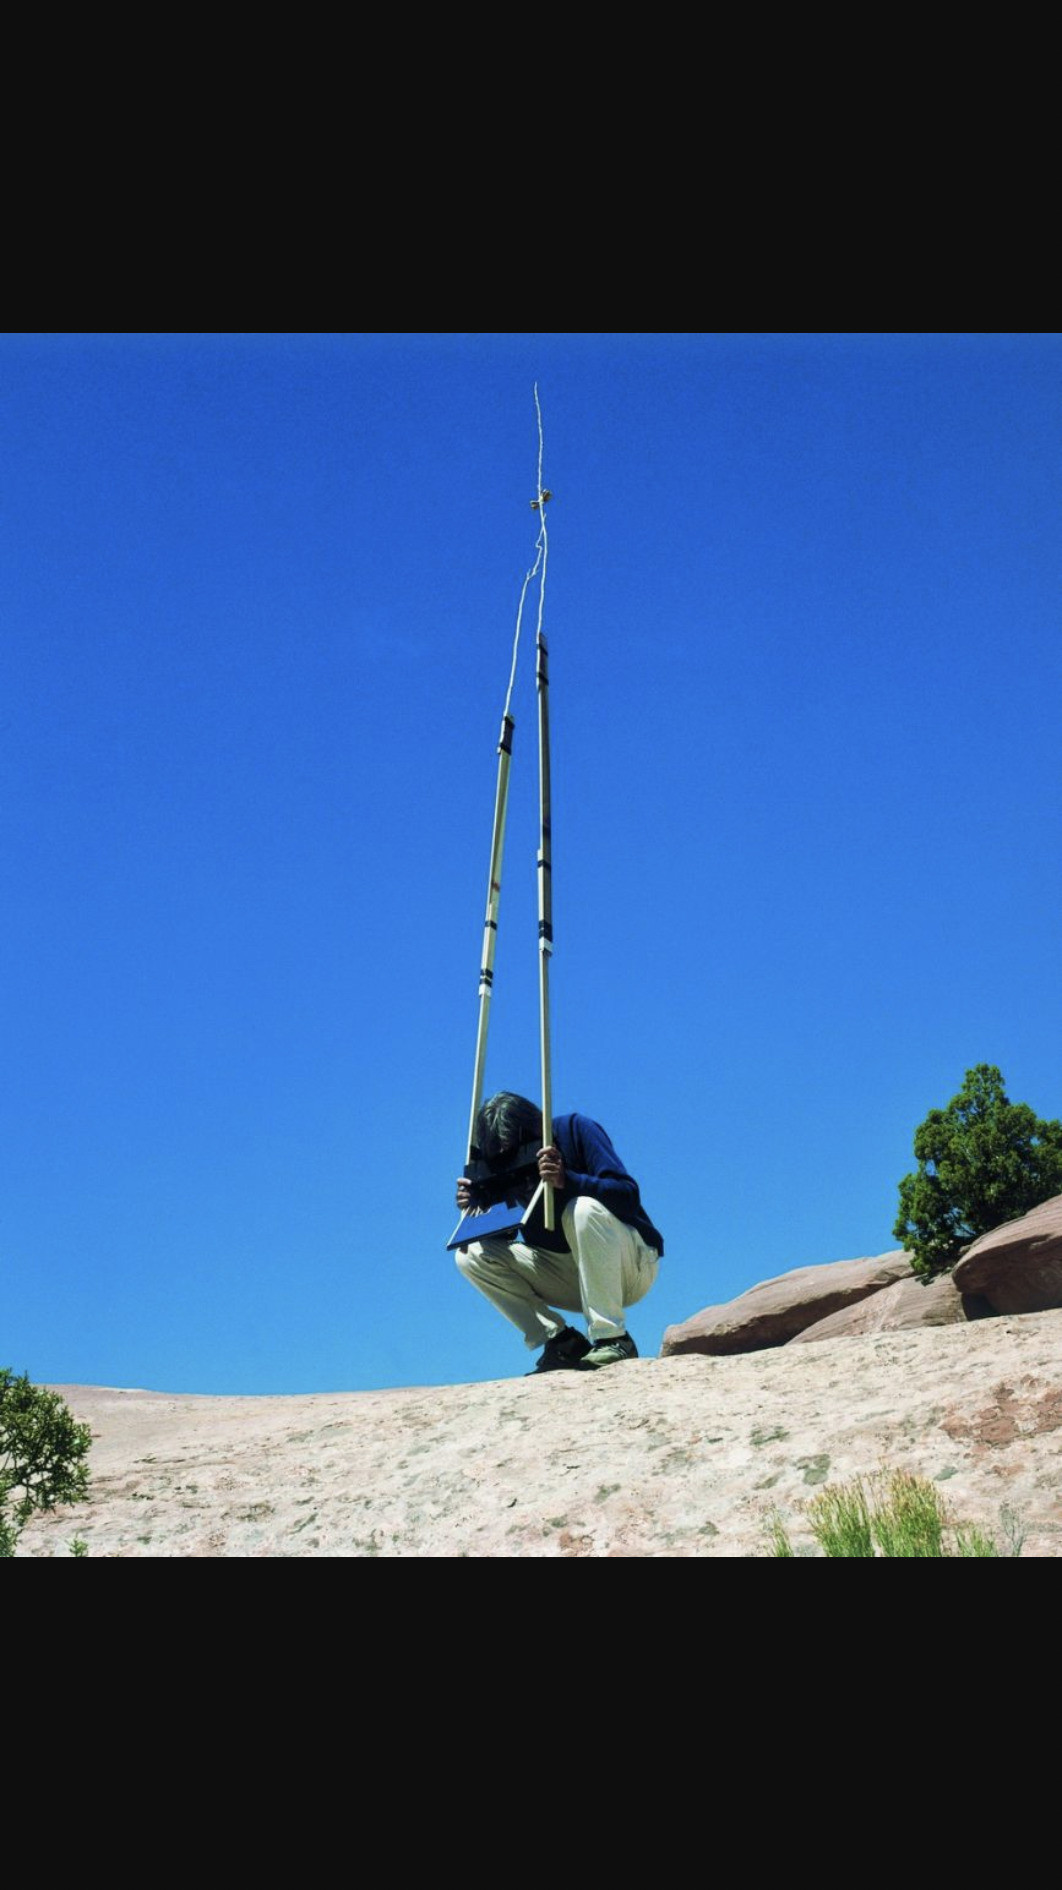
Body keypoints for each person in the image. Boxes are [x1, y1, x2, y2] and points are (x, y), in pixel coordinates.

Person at [454, 1091, 664, 1373]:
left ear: (536, 1130)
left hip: (629, 1267)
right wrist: (480, 1209)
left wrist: (568, 1180)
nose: (514, 1163)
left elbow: (628, 1196)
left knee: (581, 1209)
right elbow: (504, 1239)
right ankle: (563, 1343)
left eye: (518, 1151)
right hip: (569, 1276)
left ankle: (613, 1338)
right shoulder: (500, 1165)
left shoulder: (575, 1129)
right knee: (470, 1254)